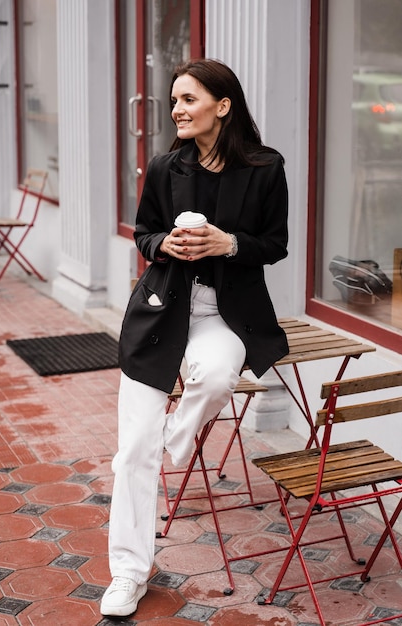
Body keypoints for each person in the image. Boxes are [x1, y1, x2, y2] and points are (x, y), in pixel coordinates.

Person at [100, 58, 289, 618]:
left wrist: (228, 244)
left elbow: (273, 243)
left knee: (216, 376)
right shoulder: (165, 166)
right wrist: (167, 247)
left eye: (187, 99)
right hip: (161, 312)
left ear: (222, 106)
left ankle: (173, 444)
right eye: (175, 100)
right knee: (130, 453)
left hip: (222, 313)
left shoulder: (265, 167)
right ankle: (129, 574)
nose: (176, 110)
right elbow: (145, 232)